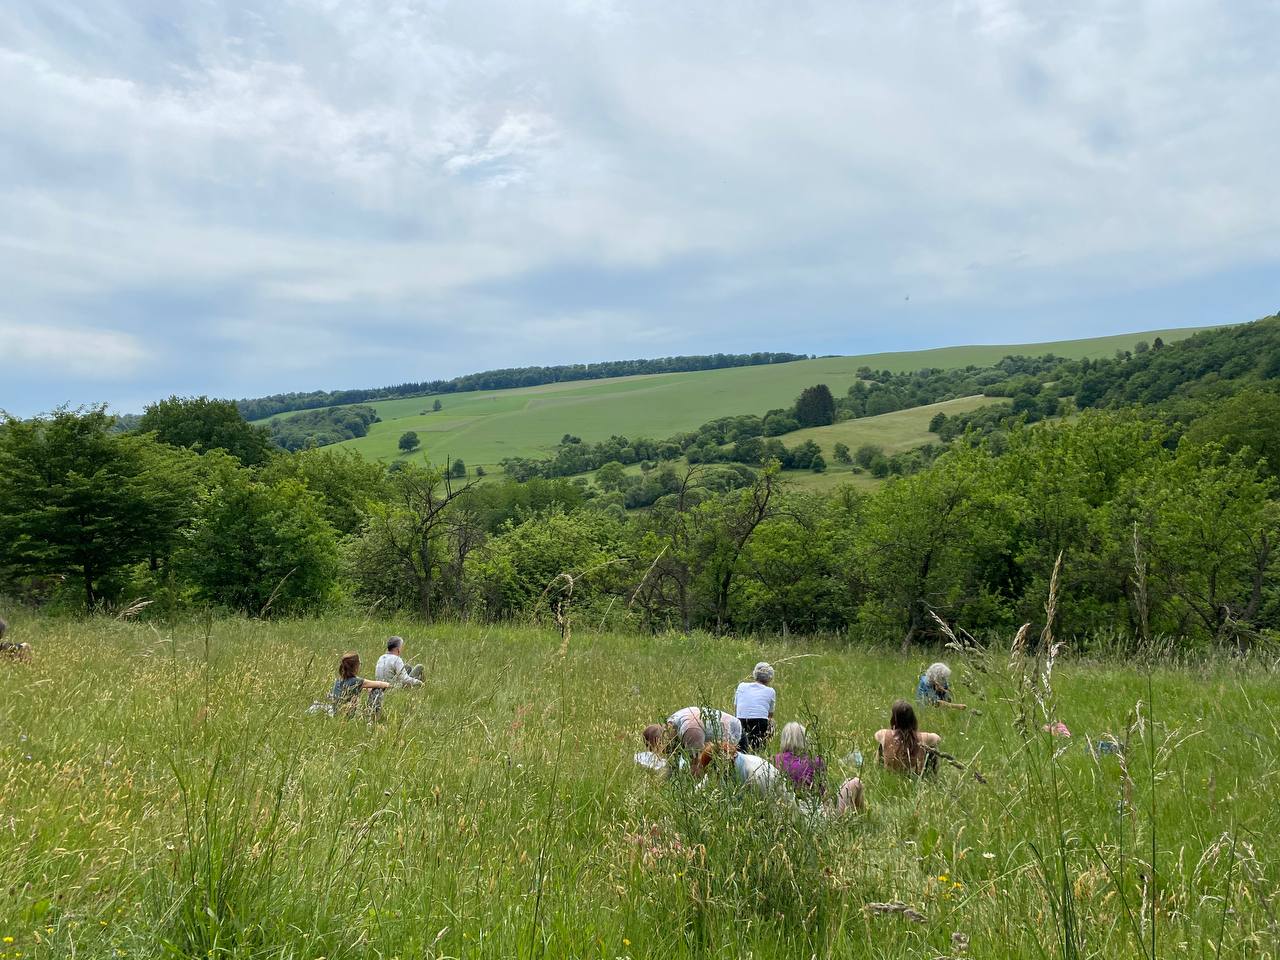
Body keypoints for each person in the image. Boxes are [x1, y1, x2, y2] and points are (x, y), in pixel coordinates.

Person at [773, 721, 865, 814]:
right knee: (855, 782)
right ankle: (862, 818)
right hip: (815, 813)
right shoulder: (816, 761)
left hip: (786, 813)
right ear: (805, 739)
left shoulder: (774, 760)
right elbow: (824, 795)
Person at [876, 699, 941, 776]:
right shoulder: (923, 737)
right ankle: (931, 776)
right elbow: (938, 738)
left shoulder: (883, 734)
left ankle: (879, 771)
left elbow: (876, 736)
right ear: (912, 719)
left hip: (891, 775)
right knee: (932, 748)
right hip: (915, 776)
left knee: (882, 744)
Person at [330, 652, 390, 716]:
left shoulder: (338, 680)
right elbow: (379, 684)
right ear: (355, 667)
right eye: (360, 664)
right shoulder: (356, 681)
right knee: (377, 690)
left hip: (336, 713)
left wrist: (367, 688)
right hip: (347, 714)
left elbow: (350, 689)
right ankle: (375, 717)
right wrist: (389, 685)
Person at [734, 662, 776, 752]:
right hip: (760, 723)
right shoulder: (771, 691)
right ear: (770, 678)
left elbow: (736, 707)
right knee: (772, 723)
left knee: (741, 748)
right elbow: (770, 716)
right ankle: (761, 750)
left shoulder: (741, 686)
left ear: (754, 674)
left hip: (740, 720)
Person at [666, 706, 743, 755]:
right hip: (724, 730)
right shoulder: (674, 719)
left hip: (735, 734)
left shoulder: (691, 731)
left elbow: (696, 764)